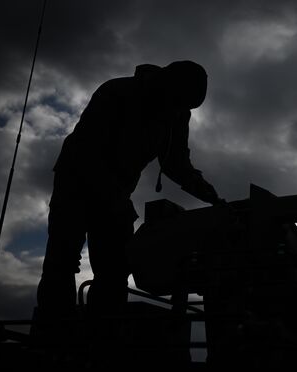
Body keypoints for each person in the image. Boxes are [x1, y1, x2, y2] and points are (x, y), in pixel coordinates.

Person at [36, 60, 223, 325]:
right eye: (178, 102)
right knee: (63, 257)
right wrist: (114, 199)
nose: (179, 109)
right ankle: (54, 330)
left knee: (115, 266)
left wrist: (210, 195)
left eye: (185, 107)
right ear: (167, 86)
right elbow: (88, 151)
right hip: (76, 181)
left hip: (118, 192)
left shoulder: (178, 114)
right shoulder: (116, 92)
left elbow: (175, 162)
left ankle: (102, 331)